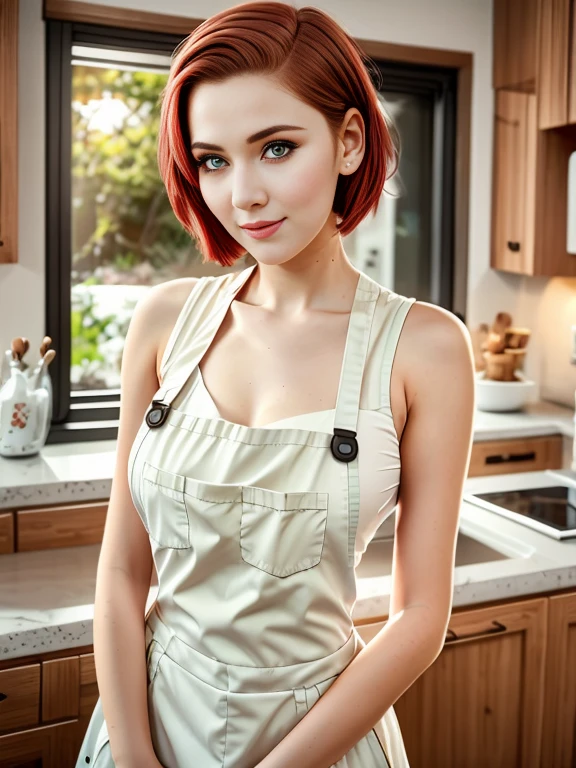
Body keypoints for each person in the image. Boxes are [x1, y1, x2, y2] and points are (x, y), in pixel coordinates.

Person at [76, 2, 475, 767]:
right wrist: (132, 757)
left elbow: (421, 617)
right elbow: (125, 569)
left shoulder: (426, 348)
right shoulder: (164, 322)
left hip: (319, 740)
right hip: (147, 724)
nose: (243, 195)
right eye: (214, 160)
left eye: (277, 147)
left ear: (349, 141)